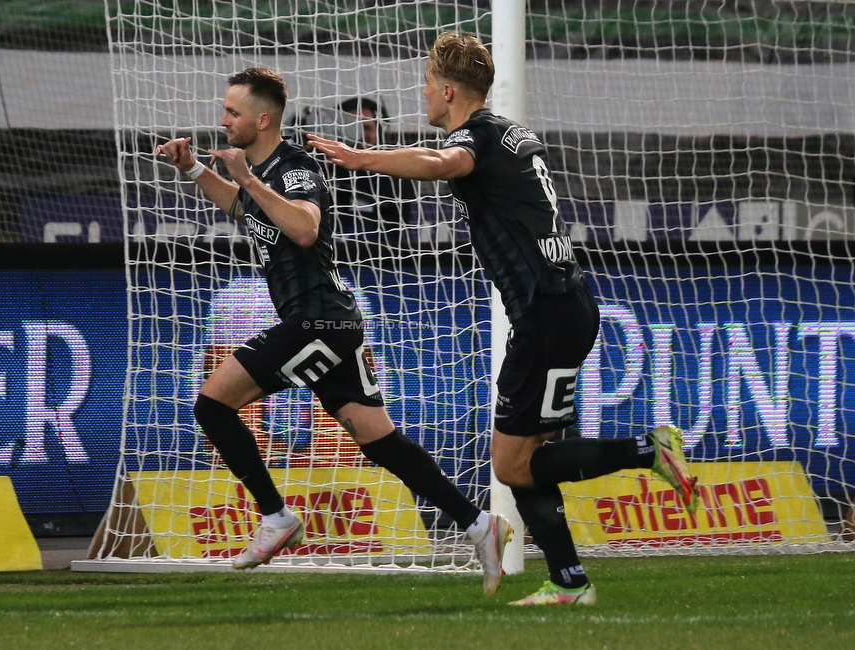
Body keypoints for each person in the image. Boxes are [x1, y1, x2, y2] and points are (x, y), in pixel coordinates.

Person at [308, 32, 699, 606]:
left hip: (544, 313)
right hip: (565, 304)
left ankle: (649, 451)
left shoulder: (476, 138)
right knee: (530, 460)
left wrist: (364, 157)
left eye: (425, 85)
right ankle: (569, 582)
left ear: (447, 90)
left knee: (511, 464)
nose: (422, 95)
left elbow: (446, 162)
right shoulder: (514, 134)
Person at [154, 67, 512, 594]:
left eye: (232, 112)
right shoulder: (259, 171)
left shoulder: (295, 167)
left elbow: (303, 227)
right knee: (381, 442)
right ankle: (481, 525)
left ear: (263, 119)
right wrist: (192, 170)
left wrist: (248, 180)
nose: (223, 120)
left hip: (317, 322)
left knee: (213, 403)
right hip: (328, 326)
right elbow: (243, 206)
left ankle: (275, 515)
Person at [333, 97, 417, 250]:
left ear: (379, 131)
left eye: (366, 128)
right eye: (351, 129)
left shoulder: (394, 173)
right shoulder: (320, 170)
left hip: (379, 257)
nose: (359, 136)